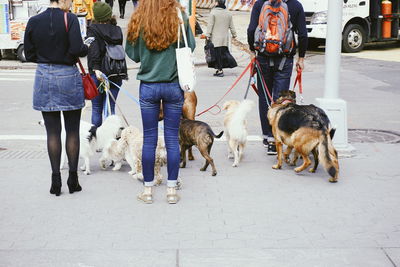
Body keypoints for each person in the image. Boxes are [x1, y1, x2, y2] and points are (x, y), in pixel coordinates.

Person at [125, 0, 195, 204]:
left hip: (148, 85)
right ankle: (171, 190)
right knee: (172, 138)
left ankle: (148, 191)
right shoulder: (178, 15)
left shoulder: (140, 16)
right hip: (174, 85)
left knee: (149, 139)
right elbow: (190, 45)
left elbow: (133, 54)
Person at [24, 0, 89, 196]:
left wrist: (46, 59)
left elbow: (29, 53)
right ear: (63, 0)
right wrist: (85, 48)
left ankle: (55, 181)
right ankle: (73, 179)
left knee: (52, 132)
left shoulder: (34, 21)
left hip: (44, 75)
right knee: (72, 131)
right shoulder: (70, 18)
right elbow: (78, 48)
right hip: (68, 75)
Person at [247, 0, 308, 154]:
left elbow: (250, 30)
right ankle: (276, 140)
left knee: (264, 98)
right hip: (284, 59)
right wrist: (301, 58)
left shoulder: (260, 3)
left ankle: (267, 136)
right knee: (280, 100)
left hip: (262, 58)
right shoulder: (295, 5)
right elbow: (302, 34)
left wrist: (253, 52)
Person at [87, 2, 124, 127]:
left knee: (97, 109)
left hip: (98, 74)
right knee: (110, 108)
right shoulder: (117, 30)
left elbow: (94, 51)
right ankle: (110, 140)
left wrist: (96, 68)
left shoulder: (92, 30)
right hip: (116, 73)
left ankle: (97, 141)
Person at [205, 0, 237, 77]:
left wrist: (208, 35)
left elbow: (210, 25)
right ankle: (220, 69)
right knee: (223, 54)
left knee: (217, 55)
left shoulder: (213, 13)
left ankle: (220, 70)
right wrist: (234, 34)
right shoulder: (228, 13)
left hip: (215, 38)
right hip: (224, 39)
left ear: (217, 3)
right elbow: (231, 26)